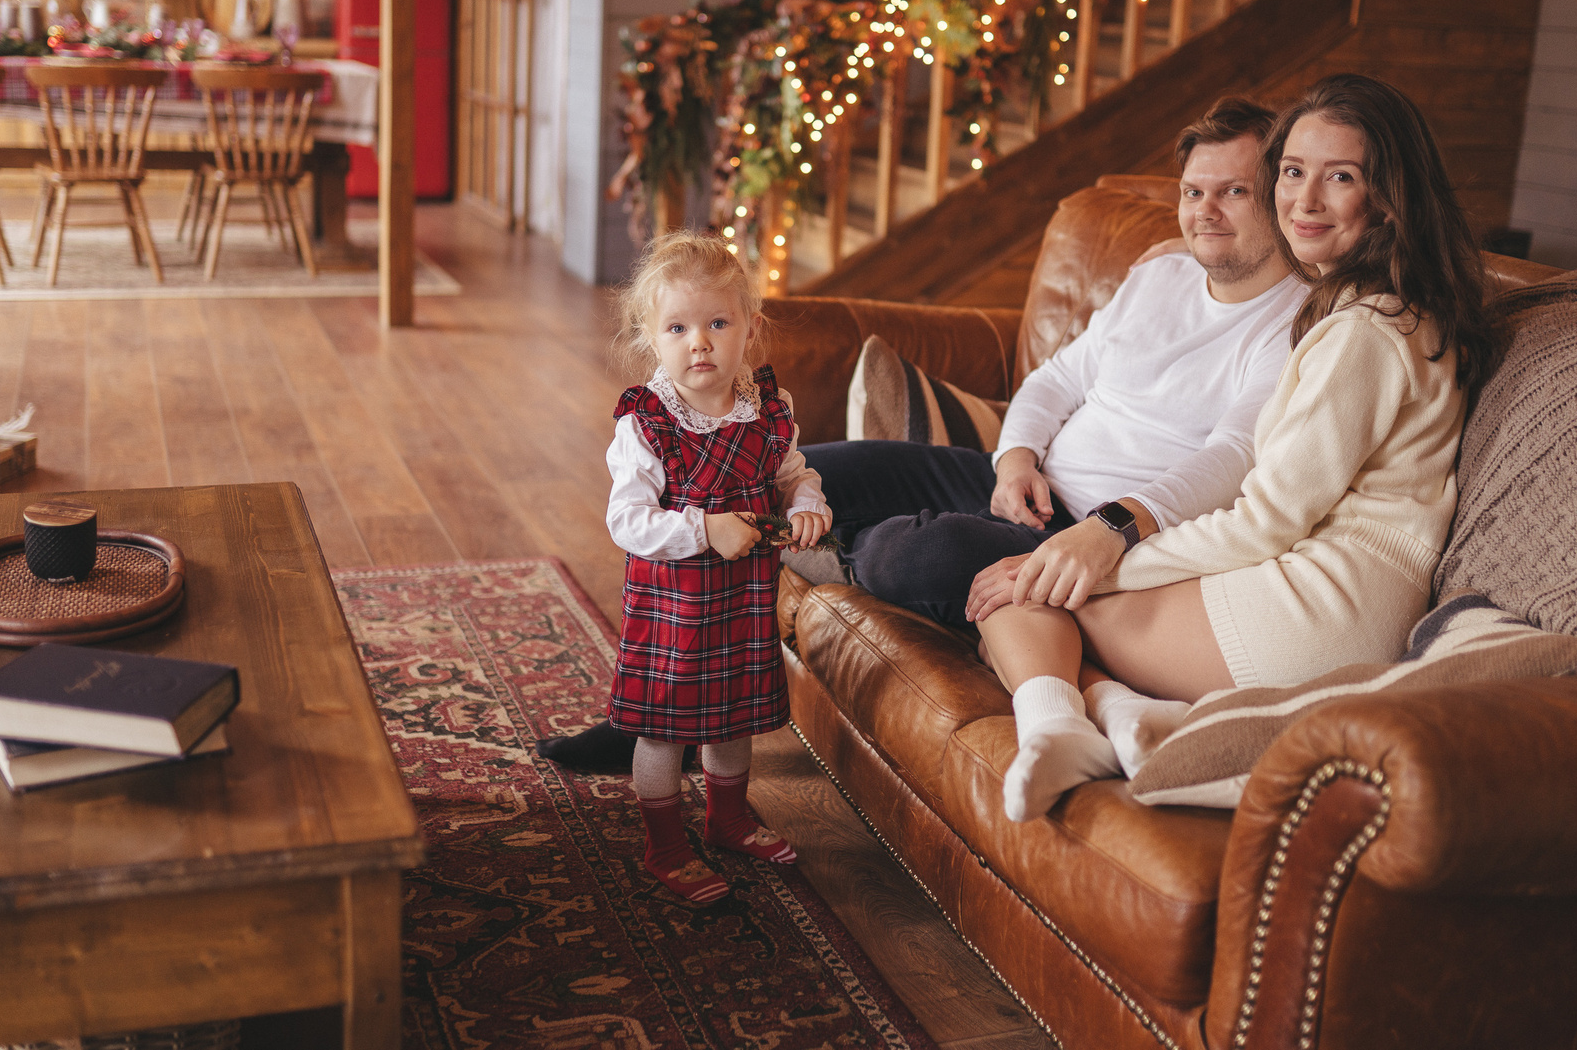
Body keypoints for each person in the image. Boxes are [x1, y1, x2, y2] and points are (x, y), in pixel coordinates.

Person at [540, 96, 1305, 772]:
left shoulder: (1297, 324)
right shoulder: (1161, 274)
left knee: (902, 555)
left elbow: (1231, 459)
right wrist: (1015, 456)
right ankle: (654, 718)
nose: (1205, 211)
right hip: (1012, 481)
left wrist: (1107, 529)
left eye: (1233, 191)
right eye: (1194, 191)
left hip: (1090, 533)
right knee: (778, 479)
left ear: (1278, 193)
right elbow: (1057, 379)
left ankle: (872, 563)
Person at [982, 72, 1501, 822]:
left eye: (1341, 177)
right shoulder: (1385, 308)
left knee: (1017, 598)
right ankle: (1118, 714)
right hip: (1328, 585)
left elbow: (1265, 521)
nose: (1304, 200)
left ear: (1388, 197)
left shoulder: (1363, 332)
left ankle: (1062, 723)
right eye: (1292, 172)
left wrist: (1091, 553)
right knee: (1034, 594)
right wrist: (1080, 554)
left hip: (1319, 608)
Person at [600, 230, 834, 903]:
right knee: (665, 727)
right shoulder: (648, 423)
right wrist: (706, 528)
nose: (698, 343)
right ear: (652, 337)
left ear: (750, 329)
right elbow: (626, 521)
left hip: (743, 598)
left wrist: (808, 503)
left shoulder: (767, 412)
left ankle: (727, 819)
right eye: (678, 328)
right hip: (672, 607)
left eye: (717, 324)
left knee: (732, 716)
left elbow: (794, 474)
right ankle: (665, 843)